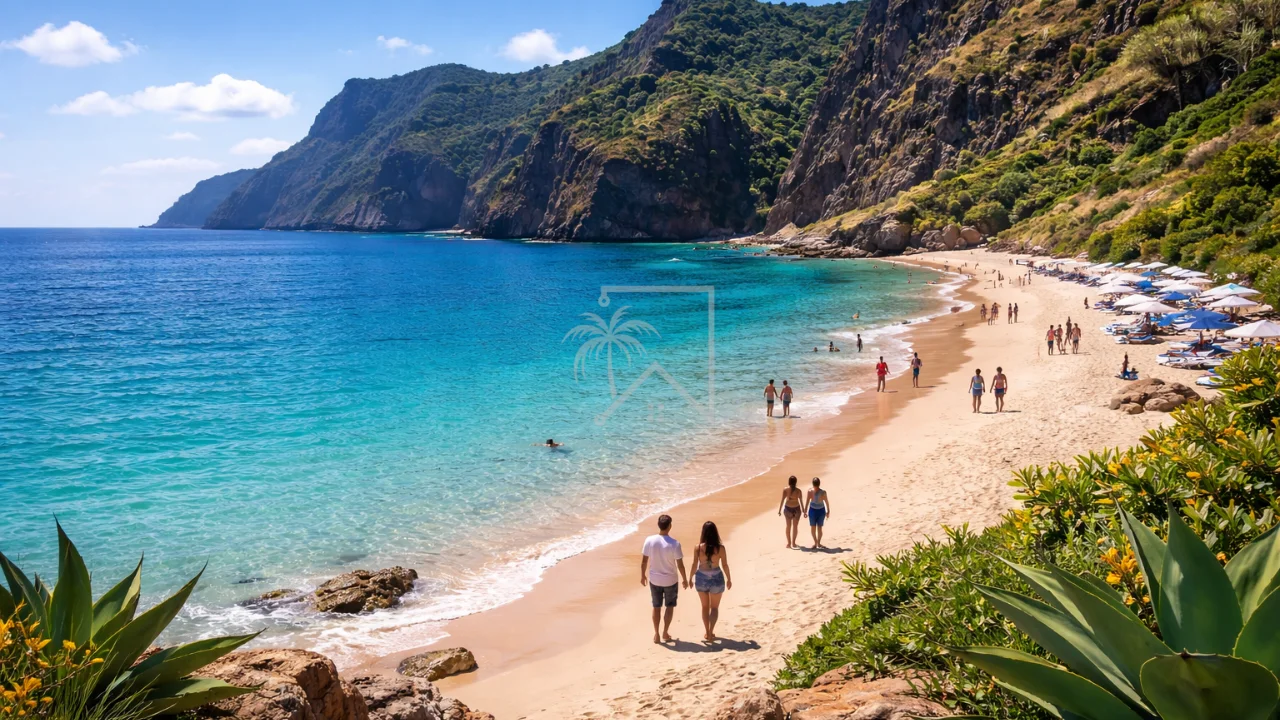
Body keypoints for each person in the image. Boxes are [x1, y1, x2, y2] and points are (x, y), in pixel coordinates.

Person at [641, 515, 688, 644]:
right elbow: (680, 565)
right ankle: (665, 632)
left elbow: (644, 561)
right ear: (670, 526)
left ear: (659, 525)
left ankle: (656, 634)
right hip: (670, 580)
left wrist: (642, 575)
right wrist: (685, 579)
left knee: (656, 607)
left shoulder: (649, 540)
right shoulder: (675, 543)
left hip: (654, 579)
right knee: (669, 606)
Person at [690, 521, 732, 642]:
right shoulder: (720, 548)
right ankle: (711, 631)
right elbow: (725, 565)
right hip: (716, 577)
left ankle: (707, 632)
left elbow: (694, 564)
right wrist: (729, 578)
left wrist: (690, 578)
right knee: (714, 608)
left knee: (704, 607)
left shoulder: (698, 548)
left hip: (701, 577)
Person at [777, 475, 804, 549]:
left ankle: (789, 543)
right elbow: (801, 501)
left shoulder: (785, 490)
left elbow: (782, 500)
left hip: (788, 509)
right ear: (796, 482)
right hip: (797, 509)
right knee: (795, 527)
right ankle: (794, 543)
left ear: (789, 482)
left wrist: (779, 510)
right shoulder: (799, 491)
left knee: (788, 526)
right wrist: (804, 511)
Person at [805, 478, 830, 549]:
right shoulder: (820, 492)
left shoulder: (820, 492)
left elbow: (826, 502)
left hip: (817, 511)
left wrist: (828, 511)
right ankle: (816, 543)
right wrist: (805, 511)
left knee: (817, 528)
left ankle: (817, 543)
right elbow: (826, 502)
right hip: (817, 511)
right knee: (816, 528)